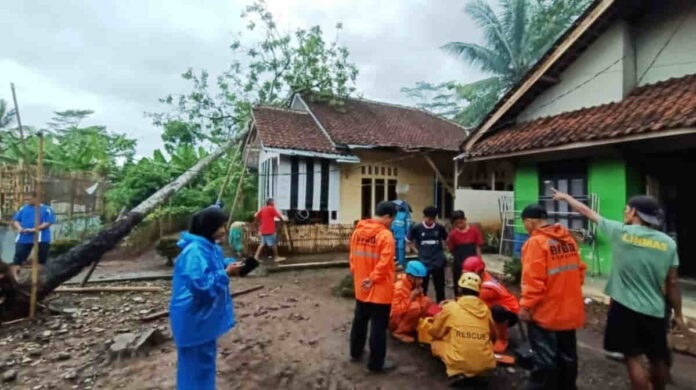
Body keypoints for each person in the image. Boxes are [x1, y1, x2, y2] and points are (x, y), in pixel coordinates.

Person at [553, 191, 687, 390]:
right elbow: (673, 282)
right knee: (657, 357)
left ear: (634, 212)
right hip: (655, 310)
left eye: (626, 209)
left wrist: (565, 197)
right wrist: (678, 314)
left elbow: (586, 211)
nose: (624, 212)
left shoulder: (620, 232)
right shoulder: (668, 243)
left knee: (633, 358)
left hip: (625, 308)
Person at [170, 207, 245, 390]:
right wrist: (225, 273)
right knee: (195, 369)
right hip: (194, 318)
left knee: (202, 365)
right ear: (210, 227)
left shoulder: (207, 246)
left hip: (201, 320)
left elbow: (213, 266)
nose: (224, 230)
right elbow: (202, 287)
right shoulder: (195, 251)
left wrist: (228, 265)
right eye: (221, 226)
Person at [519, 204, 586, 390]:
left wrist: (525, 306)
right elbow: (579, 273)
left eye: (525, 223)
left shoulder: (536, 243)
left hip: (546, 314)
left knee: (545, 363)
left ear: (530, 221)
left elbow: (533, 280)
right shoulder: (568, 240)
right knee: (568, 359)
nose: (525, 227)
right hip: (570, 312)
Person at [349, 201, 397, 373]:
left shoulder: (357, 232)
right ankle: (376, 364)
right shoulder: (385, 236)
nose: (391, 223)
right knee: (378, 327)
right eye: (391, 220)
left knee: (359, 321)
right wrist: (373, 278)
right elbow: (385, 263)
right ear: (386, 217)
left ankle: (355, 353)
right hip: (380, 289)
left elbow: (353, 259)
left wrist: (361, 277)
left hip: (362, 286)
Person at [429, 272, 497, 383]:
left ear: (460, 290)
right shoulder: (486, 310)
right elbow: (493, 336)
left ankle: (459, 371)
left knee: (435, 342)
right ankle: (477, 370)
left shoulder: (451, 308)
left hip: (458, 360)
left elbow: (436, 332)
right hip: (485, 362)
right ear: (478, 292)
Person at [462, 256, 520, 353]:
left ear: (479, 272)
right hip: (496, 306)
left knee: (491, 310)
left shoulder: (486, 289)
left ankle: (502, 340)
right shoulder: (482, 277)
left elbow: (470, 303)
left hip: (509, 313)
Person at [10, 191, 57, 279]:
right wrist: (19, 228)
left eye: (29, 199)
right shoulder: (23, 208)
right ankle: (15, 278)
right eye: (26, 199)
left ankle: (39, 278)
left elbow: (48, 223)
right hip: (23, 237)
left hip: (41, 238)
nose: (27, 201)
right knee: (18, 258)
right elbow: (16, 220)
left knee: (41, 258)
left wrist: (33, 229)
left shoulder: (47, 209)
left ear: (36, 198)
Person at [407, 206, 448, 303]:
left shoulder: (440, 228)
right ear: (424, 217)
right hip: (423, 263)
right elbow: (408, 241)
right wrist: (417, 251)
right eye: (429, 218)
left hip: (438, 262)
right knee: (422, 288)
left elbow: (445, 240)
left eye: (433, 219)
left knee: (440, 287)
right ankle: (422, 307)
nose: (431, 221)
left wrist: (442, 251)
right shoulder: (416, 228)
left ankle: (441, 307)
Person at [389, 260, 435, 343]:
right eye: (419, 278)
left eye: (422, 278)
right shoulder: (399, 287)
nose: (421, 281)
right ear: (410, 277)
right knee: (415, 307)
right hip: (393, 321)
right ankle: (399, 332)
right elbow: (394, 311)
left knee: (427, 301)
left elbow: (422, 303)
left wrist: (420, 295)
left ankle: (414, 327)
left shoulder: (413, 284)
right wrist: (410, 297)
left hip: (402, 316)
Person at [446, 210, 483, 297]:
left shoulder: (474, 231)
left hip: (473, 266)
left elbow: (478, 247)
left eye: (461, 222)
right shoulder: (452, 235)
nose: (459, 225)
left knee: (473, 287)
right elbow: (451, 250)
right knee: (459, 287)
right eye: (456, 223)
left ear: (465, 220)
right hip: (459, 266)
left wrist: (480, 262)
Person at [254, 198, 286, 263]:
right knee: (274, 243)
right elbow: (279, 216)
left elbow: (256, 216)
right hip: (270, 230)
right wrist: (282, 221)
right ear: (271, 203)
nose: (274, 203)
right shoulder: (271, 208)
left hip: (263, 229)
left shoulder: (263, 208)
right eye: (273, 202)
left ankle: (256, 257)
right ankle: (276, 257)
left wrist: (259, 223)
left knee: (262, 243)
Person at [390, 200, 413, 267]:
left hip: (402, 236)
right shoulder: (394, 214)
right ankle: (396, 262)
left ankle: (401, 263)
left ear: (400, 206)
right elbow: (392, 225)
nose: (395, 206)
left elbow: (409, 225)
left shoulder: (406, 214)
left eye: (396, 205)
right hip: (394, 235)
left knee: (401, 249)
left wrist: (408, 236)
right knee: (395, 248)